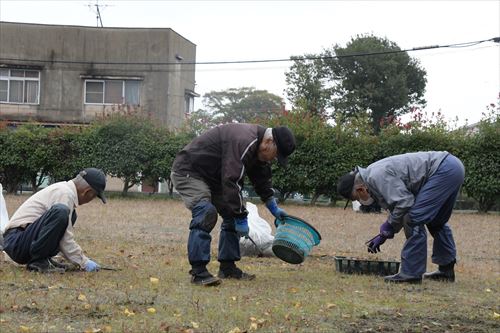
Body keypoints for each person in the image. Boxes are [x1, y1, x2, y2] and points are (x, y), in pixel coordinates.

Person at [171, 123, 296, 286]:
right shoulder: (244, 140)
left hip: (215, 179)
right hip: (190, 172)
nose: (274, 159)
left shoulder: (259, 148)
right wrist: (241, 216)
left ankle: (227, 268)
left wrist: (273, 206)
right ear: (269, 142)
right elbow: (232, 180)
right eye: (276, 154)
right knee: (205, 213)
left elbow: (261, 179)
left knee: (231, 215)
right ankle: (199, 272)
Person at [337, 151, 464, 284]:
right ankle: (446, 270)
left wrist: (389, 226)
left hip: (442, 170)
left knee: (413, 219)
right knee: (436, 221)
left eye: (356, 198)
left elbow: (405, 203)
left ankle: (411, 274)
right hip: (452, 167)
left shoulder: (376, 176)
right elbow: (400, 205)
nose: (360, 200)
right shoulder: (372, 175)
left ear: (360, 189)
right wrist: (386, 232)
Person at [2, 168, 107, 273]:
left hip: (21, 239)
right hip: (16, 242)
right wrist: (84, 262)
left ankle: (44, 259)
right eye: (94, 196)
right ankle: (38, 262)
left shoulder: (64, 189)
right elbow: (65, 238)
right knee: (61, 212)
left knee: (70, 215)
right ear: (87, 192)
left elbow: (56, 234)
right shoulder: (65, 194)